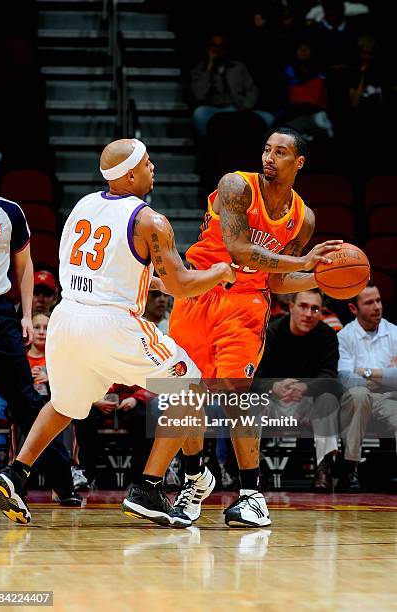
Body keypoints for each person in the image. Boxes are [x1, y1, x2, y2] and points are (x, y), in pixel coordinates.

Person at [0, 137, 235, 528]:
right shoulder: (150, 220)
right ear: (131, 173)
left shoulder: (83, 206)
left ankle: (14, 473)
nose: (154, 168)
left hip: (67, 319)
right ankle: (148, 487)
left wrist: (149, 283)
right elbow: (183, 285)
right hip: (112, 325)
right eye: (148, 162)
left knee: (66, 406)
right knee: (188, 386)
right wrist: (221, 272)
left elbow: (108, 272)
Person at [169, 126, 342, 527]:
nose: (268, 157)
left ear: (298, 163)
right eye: (266, 149)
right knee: (185, 394)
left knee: (235, 395)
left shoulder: (303, 219)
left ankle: (252, 495)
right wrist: (302, 264)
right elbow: (239, 249)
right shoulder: (236, 186)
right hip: (200, 289)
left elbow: (279, 281)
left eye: (280, 152)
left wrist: (321, 278)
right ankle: (194, 481)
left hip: (246, 303)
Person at [0, 188, 79, 506]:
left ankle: (64, 482)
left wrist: (26, 315)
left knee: (26, 400)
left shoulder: (8, 211)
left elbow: (25, 266)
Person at [254, 289, 341, 492]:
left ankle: (324, 469)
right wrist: (274, 386)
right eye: (303, 306)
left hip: (307, 404)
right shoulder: (271, 333)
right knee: (250, 400)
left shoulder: (327, 336)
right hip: (273, 402)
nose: (309, 313)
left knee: (328, 399)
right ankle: (254, 468)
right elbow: (254, 377)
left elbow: (329, 378)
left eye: (315, 308)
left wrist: (306, 387)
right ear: (291, 307)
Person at [337, 282, 397, 492]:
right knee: (360, 394)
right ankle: (350, 468)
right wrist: (387, 375)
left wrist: (366, 372)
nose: (377, 307)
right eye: (369, 302)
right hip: (355, 402)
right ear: (354, 308)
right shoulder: (344, 337)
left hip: (388, 400)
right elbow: (345, 377)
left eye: (379, 300)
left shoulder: (394, 333)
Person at [190, 33, 274, 138]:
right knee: (199, 113)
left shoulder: (238, 67)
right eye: (214, 45)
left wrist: (246, 105)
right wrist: (209, 68)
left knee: (268, 118)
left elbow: (252, 89)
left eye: (220, 46)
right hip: (214, 110)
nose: (217, 49)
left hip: (237, 108)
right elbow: (199, 95)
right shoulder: (200, 70)